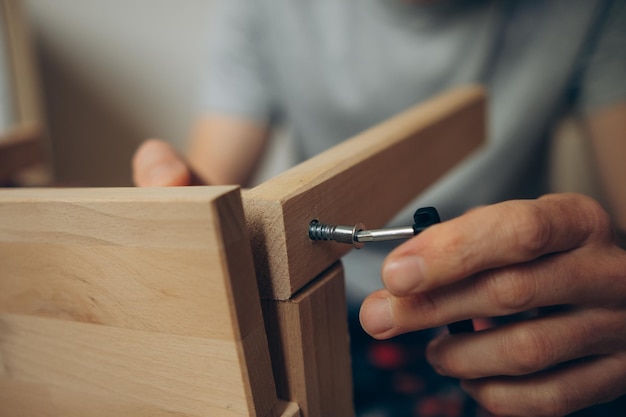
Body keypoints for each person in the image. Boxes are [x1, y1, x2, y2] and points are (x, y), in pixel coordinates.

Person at [133, 0, 626, 415]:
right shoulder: (266, 9)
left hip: (507, 306)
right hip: (332, 306)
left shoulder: (591, 10)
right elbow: (210, 193)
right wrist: (190, 229)